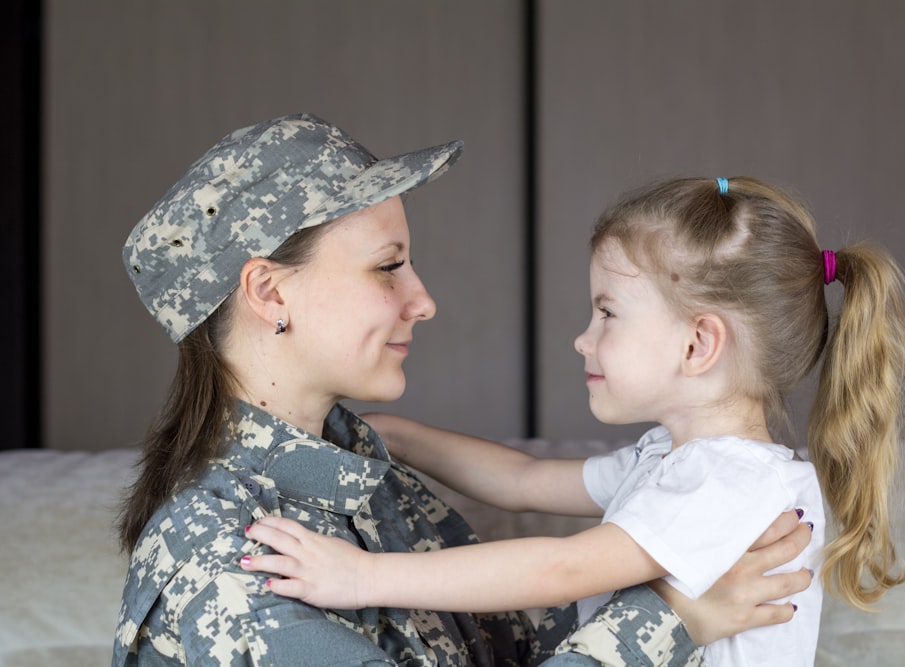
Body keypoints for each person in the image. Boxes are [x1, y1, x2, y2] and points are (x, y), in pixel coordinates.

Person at [115, 114, 813, 666]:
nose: (423, 300)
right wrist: (675, 616)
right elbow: (540, 519)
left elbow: (516, 637)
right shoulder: (230, 554)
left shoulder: (368, 480)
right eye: (388, 267)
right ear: (270, 293)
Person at [241, 176, 905, 666]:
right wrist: (399, 436)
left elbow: (563, 567)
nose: (583, 338)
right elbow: (524, 480)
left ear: (697, 344)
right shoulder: (675, 456)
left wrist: (363, 576)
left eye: (608, 313)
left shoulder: (730, 484)